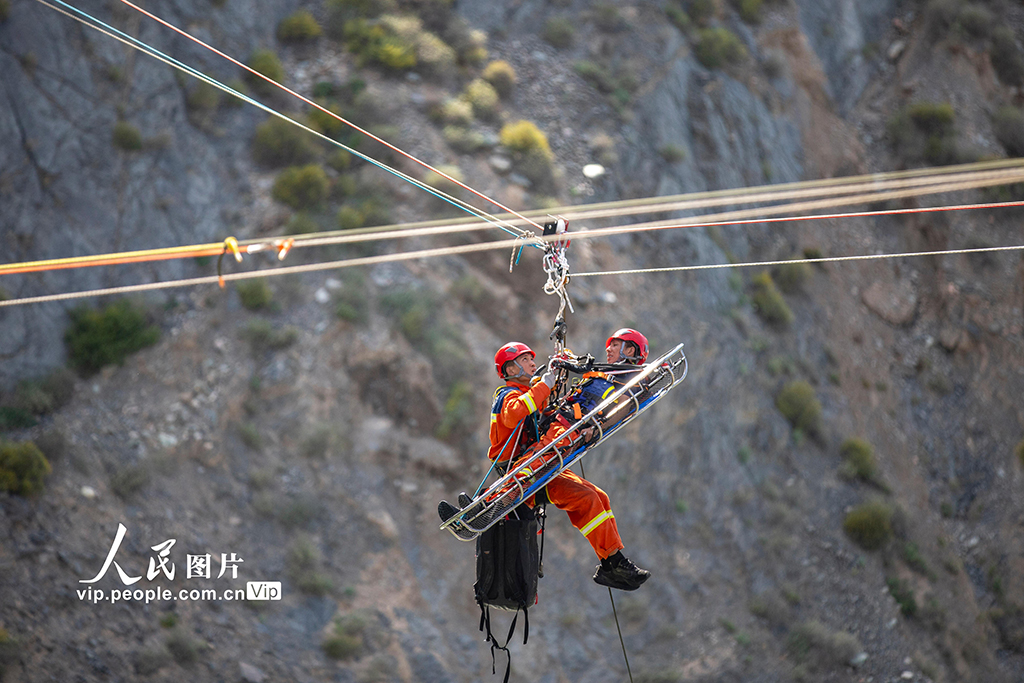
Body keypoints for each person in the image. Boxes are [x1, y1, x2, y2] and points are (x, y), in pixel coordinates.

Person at [482, 335, 651, 591]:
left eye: (531, 359)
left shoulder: (607, 379)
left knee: (596, 497)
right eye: (525, 360)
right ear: (510, 369)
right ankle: (492, 501)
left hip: (540, 466)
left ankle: (613, 563)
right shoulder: (508, 394)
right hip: (522, 469)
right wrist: (547, 382)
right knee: (546, 462)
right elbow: (517, 412)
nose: (531, 362)